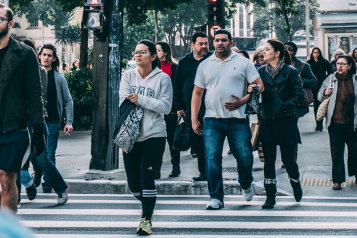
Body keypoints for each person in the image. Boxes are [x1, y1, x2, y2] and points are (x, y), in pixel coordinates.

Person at [191, 29, 264, 210]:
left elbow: (260, 86)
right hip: (212, 120)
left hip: (237, 120)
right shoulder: (205, 65)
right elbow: (197, 93)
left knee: (245, 157)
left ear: (231, 42)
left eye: (224, 40)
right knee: (212, 159)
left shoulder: (243, 62)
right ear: (213, 42)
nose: (220, 43)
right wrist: (194, 119)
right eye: (217, 40)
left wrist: (244, 100)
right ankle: (216, 197)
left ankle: (246, 183)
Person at [119, 39, 172, 235]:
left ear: (152, 56)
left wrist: (140, 99)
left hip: (154, 134)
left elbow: (166, 107)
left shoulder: (163, 79)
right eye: (136, 51)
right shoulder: (128, 76)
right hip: (130, 135)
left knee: (147, 179)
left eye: (143, 51)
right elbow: (123, 101)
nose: (138, 54)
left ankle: (146, 219)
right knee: (133, 185)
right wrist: (146, 102)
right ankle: (148, 203)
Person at [0, 4, 45, 212]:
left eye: (0, 19)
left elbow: (34, 95)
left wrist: (38, 129)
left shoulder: (25, 54)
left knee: (7, 179)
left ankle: (6, 230)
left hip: (12, 126)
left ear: (10, 24)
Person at [258, 39, 304, 209]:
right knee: (269, 160)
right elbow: (255, 92)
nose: (264, 51)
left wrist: (284, 105)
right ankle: (270, 195)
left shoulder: (290, 72)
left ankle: (295, 181)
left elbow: (299, 96)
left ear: (277, 53)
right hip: (267, 121)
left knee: (288, 160)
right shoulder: (260, 72)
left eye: (267, 49)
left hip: (286, 121)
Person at [173, 31, 212, 181]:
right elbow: (177, 86)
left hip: (212, 109)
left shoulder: (213, 60)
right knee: (197, 143)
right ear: (193, 45)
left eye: (206, 43)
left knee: (211, 143)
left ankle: (212, 172)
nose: (204, 46)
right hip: (192, 110)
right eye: (200, 44)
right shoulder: (184, 62)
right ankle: (203, 172)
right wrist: (179, 107)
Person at [37, 44, 73, 199]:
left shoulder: (59, 77)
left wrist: (69, 121)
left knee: (49, 155)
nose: (46, 57)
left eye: (49, 55)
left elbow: (68, 100)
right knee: (35, 156)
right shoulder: (33, 75)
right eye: (44, 54)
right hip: (35, 122)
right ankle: (39, 176)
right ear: (39, 56)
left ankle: (47, 185)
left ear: (54, 58)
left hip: (52, 121)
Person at [15, 39, 48, 208]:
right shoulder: (13, 67)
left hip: (30, 119)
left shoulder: (38, 70)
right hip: (14, 118)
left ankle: (18, 196)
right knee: (15, 163)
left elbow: (38, 95)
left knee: (22, 161)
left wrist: (38, 125)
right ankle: (27, 183)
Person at [318, 55, 357, 190]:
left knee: (354, 151)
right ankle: (337, 180)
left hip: (353, 123)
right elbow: (319, 96)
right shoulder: (331, 79)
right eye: (337, 63)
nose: (339, 66)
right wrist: (325, 92)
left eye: (343, 64)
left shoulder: (355, 79)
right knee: (336, 152)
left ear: (350, 66)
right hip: (335, 123)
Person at [155, 41, 180, 178]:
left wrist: (179, 108)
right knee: (157, 139)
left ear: (165, 52)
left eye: (158, 50)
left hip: (171, 110)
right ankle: (156, 169)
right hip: (155, 109)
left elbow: (177, 89)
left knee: (171, 139)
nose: (156, 52)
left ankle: (176, 166)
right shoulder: (152, 68)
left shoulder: (174, 67)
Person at [284, 42, 317, 119]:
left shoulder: (303, 65)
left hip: (295, 100)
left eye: (290, 50)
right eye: (285, 49)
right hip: (282, 100)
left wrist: (302, 81)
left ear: (295, 52)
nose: (287, 52)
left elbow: (314, 81)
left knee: (292, 125)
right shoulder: (278, 64)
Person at [307, 47, 333, 131]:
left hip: (322, 86)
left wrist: (325, 79)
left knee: (322, 104)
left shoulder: (324, 62)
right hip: (313, 86)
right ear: (312, 53)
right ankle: (318, 123)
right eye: (315, 52)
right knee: (316, 105)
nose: (316, 54)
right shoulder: (309, 63)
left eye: (318, 52)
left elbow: (330, 73)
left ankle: (321, 123)